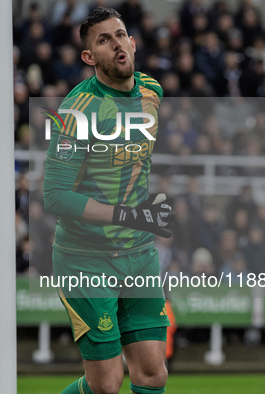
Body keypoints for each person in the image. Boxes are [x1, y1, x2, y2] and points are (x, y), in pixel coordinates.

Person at [43, 8, 174, 394]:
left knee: (152, 373)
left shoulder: (153, 91)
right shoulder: (75, 111)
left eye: (121, 34)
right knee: (106, 385)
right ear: (89, 57)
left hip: (139, 251)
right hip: (84, 256)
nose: (117, 43)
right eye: (104, 39)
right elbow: (55, 196)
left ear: (133, 42)